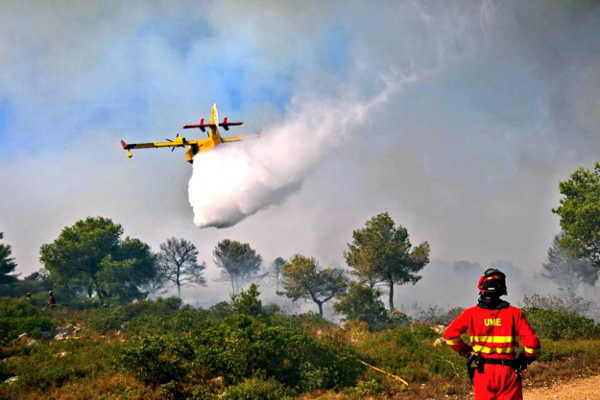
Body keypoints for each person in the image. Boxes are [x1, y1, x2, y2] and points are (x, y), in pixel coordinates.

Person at [444, 268, 540, 400]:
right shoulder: (514, 313)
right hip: (508, 371)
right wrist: (524, 359)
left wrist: (467, 352)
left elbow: (450, 336)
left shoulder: (470, 314)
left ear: (482, 289)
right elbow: (533, 345)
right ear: (502, 289)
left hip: (483, 371)